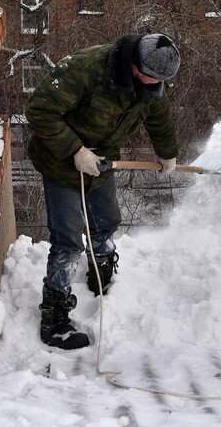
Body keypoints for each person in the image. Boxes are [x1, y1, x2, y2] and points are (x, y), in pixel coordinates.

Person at [24, 33, 180, 350]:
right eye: (150, 77)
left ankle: (102, 271)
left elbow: (159, 117)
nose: (154, 85)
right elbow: (40, 110)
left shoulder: (151, 84)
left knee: (106, 220)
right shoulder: (85, 69)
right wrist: (76, 151)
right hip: (60, 160)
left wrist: (167, 153)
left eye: (159, 81)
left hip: (102, 160)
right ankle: (54, 317)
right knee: (67, 240)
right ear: (134, 62)